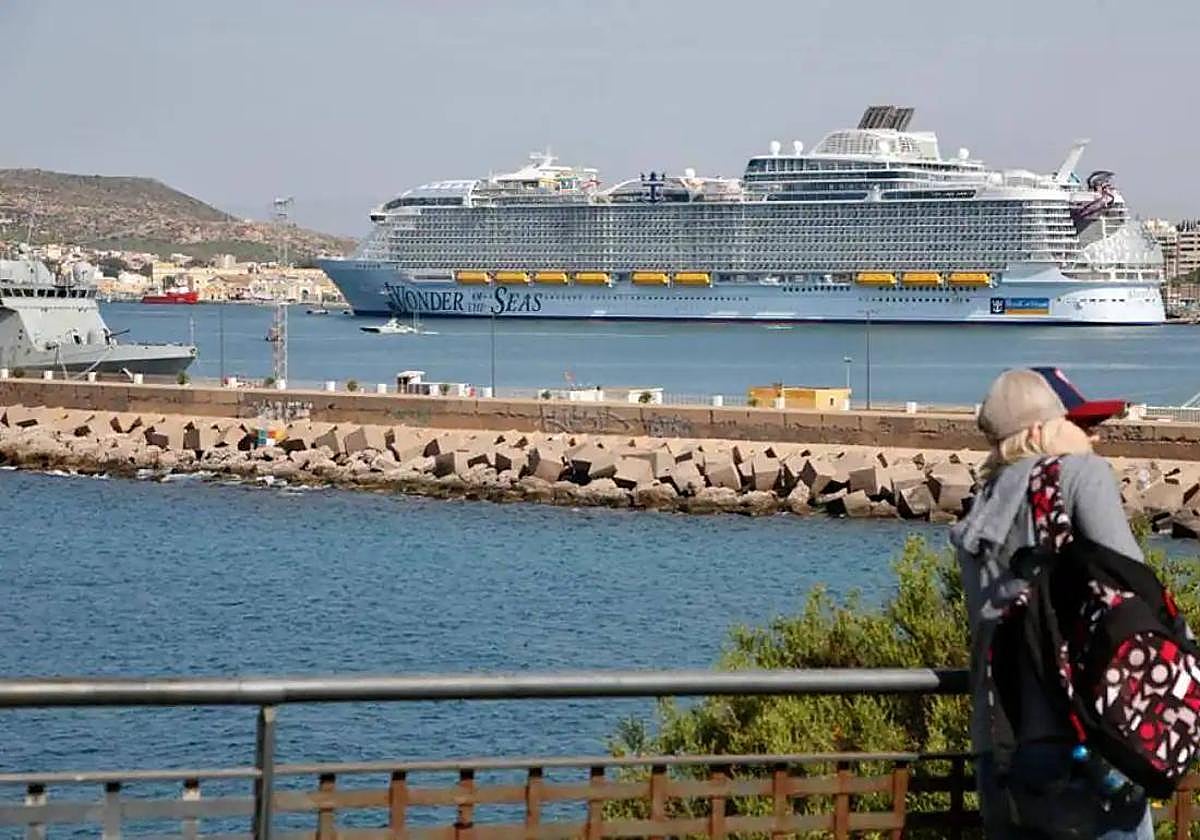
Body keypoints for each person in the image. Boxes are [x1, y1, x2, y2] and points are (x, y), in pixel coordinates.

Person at [950, 368, 1153, 839]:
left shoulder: (983, 504)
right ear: (1043, 427)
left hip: (1000, 744)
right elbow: (1134, 586)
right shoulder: (1080, 475)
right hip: (1084, 742)